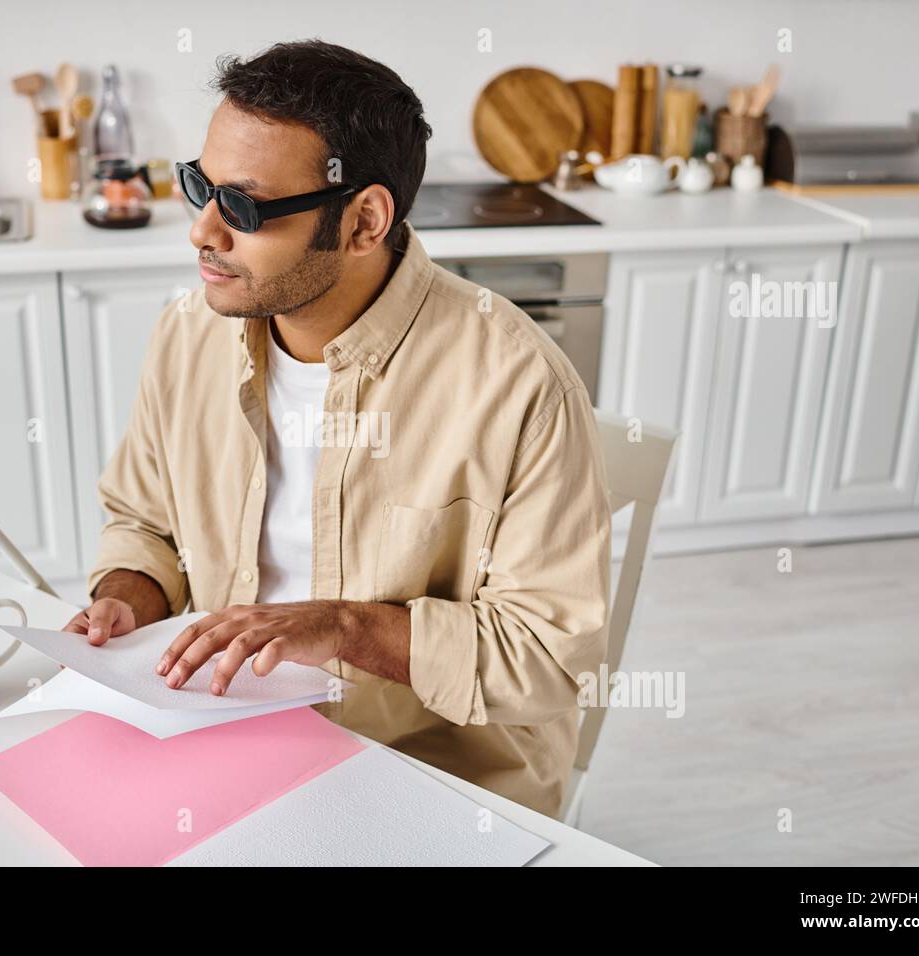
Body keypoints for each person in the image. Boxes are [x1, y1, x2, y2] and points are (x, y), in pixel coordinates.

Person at [63, 39, 611, 817]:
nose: (203, 233)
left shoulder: (519, 385)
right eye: (200, 188)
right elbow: (142, 519)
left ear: (363, 221)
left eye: (245, 208)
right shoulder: (189, 333)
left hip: (433, 780)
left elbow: (550, 660)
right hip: (228, 738)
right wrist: (132, 593)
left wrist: (347, 627)